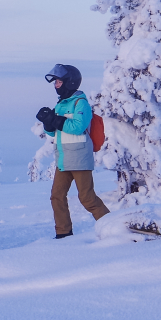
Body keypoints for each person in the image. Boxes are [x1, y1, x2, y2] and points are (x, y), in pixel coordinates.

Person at [36, 64, 110, 238]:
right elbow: (52, 132)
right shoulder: (62, 104)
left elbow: (77, 127)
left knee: (87, 198)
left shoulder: (80, 103)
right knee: (56, 196)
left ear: (70, 82)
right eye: (55, 82)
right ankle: (63, 233)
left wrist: (54, 118)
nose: (56, 85)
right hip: (63, 158)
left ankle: (113, 227)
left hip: (79, 158)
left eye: (59, 82)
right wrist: (47, 121)